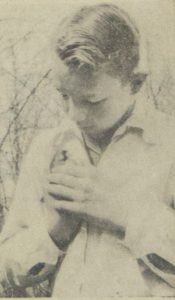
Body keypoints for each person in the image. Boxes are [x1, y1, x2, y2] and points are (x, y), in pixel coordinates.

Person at [1, 2, 175, 297]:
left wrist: (125, 214)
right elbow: (6, 269)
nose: (74, 115)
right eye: (64, 96)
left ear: (135, 83)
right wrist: (54, 232)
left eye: (93, 101)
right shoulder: (48, 147)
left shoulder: (168, 145)